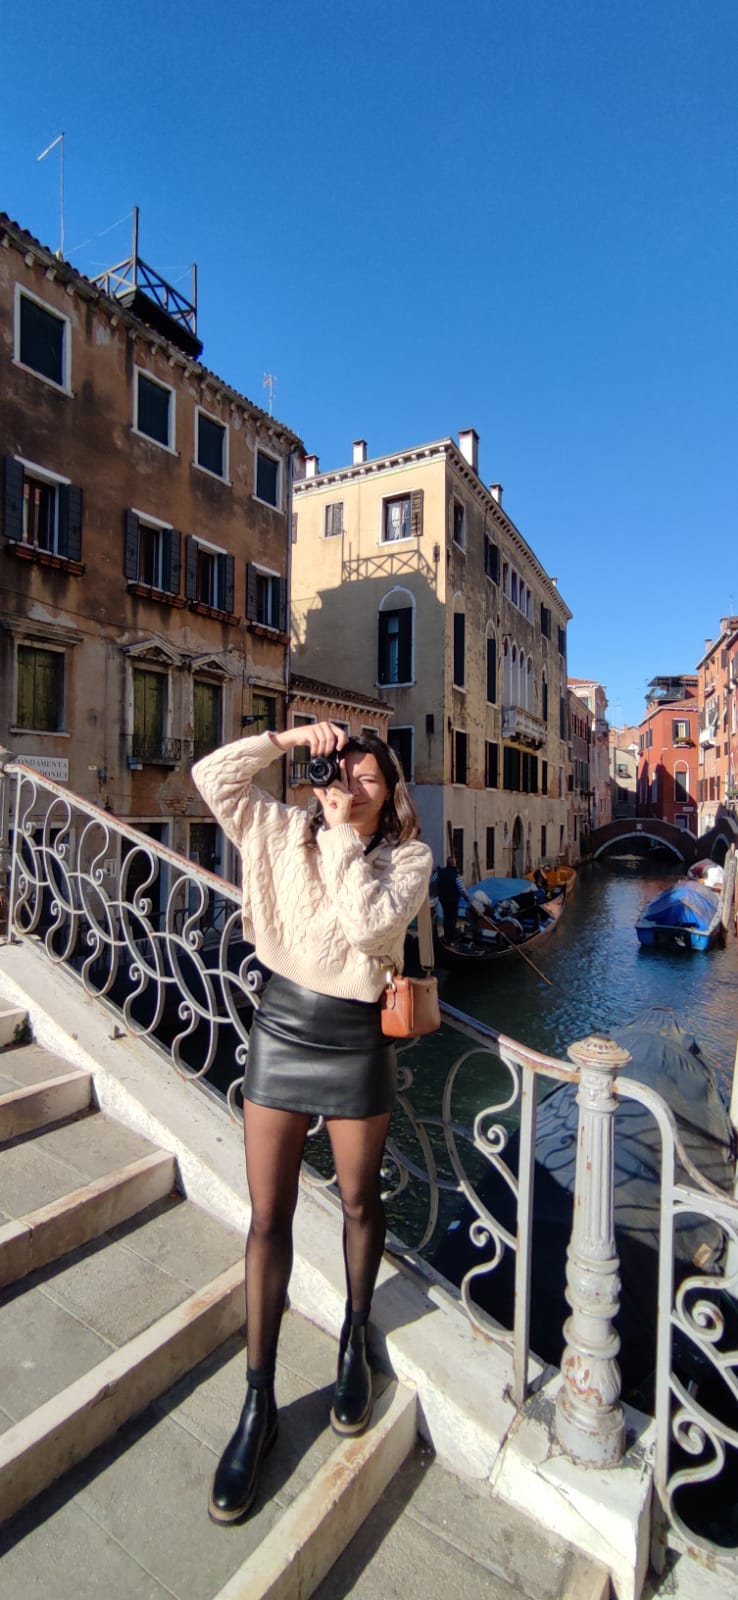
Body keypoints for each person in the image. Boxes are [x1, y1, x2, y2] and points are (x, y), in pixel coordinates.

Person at [192, 720, 432, 1524]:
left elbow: (371, 930)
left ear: (390, 788)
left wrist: (339, 834)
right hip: (281, 1034)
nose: (352, 784)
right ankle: (257, 1404)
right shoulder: (281, 828)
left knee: (362, 1202)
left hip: (357, 1040)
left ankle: (354, 1338)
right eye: (342, 770)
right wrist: (288, 737)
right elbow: (212, 778)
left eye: (369, 776)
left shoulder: (407, 858)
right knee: (268, 1218)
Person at [429, 856, 466, 942]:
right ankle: (450, 938)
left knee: (446, 917)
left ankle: (446, 936)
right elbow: (462, 889)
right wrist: (466, 897)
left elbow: (431, 880)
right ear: (453, 864)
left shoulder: (440, 872)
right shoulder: (456, 875)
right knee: (452, 919)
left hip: (443, 899)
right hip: (453, 900)